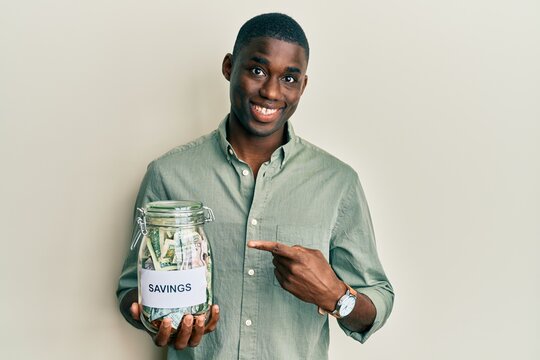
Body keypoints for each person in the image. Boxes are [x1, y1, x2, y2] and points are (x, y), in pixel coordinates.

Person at [117, 12, 394, 360]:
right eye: (257, 70)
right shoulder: (168, 174)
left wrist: (336, 295)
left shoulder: (338, 183)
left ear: (303, 86)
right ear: (229, 67)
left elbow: (378, 300)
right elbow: (131, 289)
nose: (271, 91)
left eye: (289, 78)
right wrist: (155, 320)